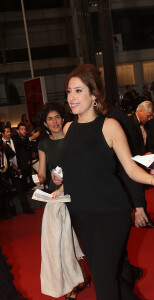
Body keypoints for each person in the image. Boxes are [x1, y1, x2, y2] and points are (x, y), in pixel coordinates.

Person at [53, 64, 154, 300]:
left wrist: (153, 181)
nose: (71, 98)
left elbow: (129, 168)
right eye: (68, 92)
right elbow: (77, 169)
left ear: (93, 94)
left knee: (104, 283)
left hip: (110, 213)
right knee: (105, 277)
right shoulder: (68, 128)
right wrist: (61, 183)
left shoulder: (110, 126)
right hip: (81, 214)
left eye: (77, 91)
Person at [36, 101, 90, 300]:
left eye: (57, 117)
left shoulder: (72, 138)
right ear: (45, 123)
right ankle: (72, 285)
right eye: (50, 119)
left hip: (77, 190)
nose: (54, 121)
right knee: (63, 240)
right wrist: (40, 180)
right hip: (56, 197)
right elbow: (42, 173)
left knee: (79, 235)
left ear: (63, 118)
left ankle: (83, 274)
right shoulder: (43, 144)